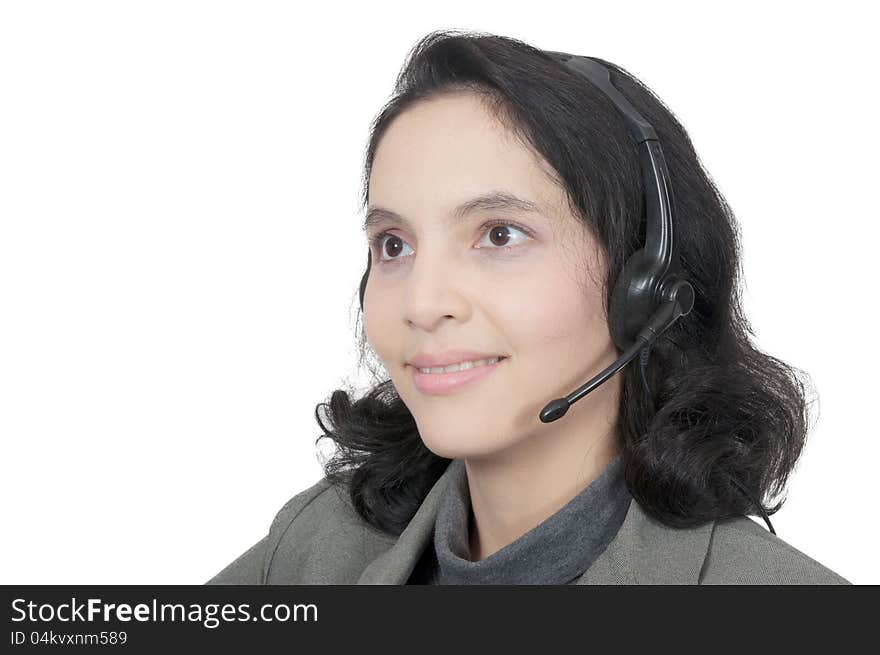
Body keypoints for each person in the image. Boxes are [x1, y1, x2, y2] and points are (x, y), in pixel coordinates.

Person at [208, 29, 850, 585]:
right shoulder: (316, 546)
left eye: (499, 234)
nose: (423, 303)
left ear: (645, 286)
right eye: (394, 243)